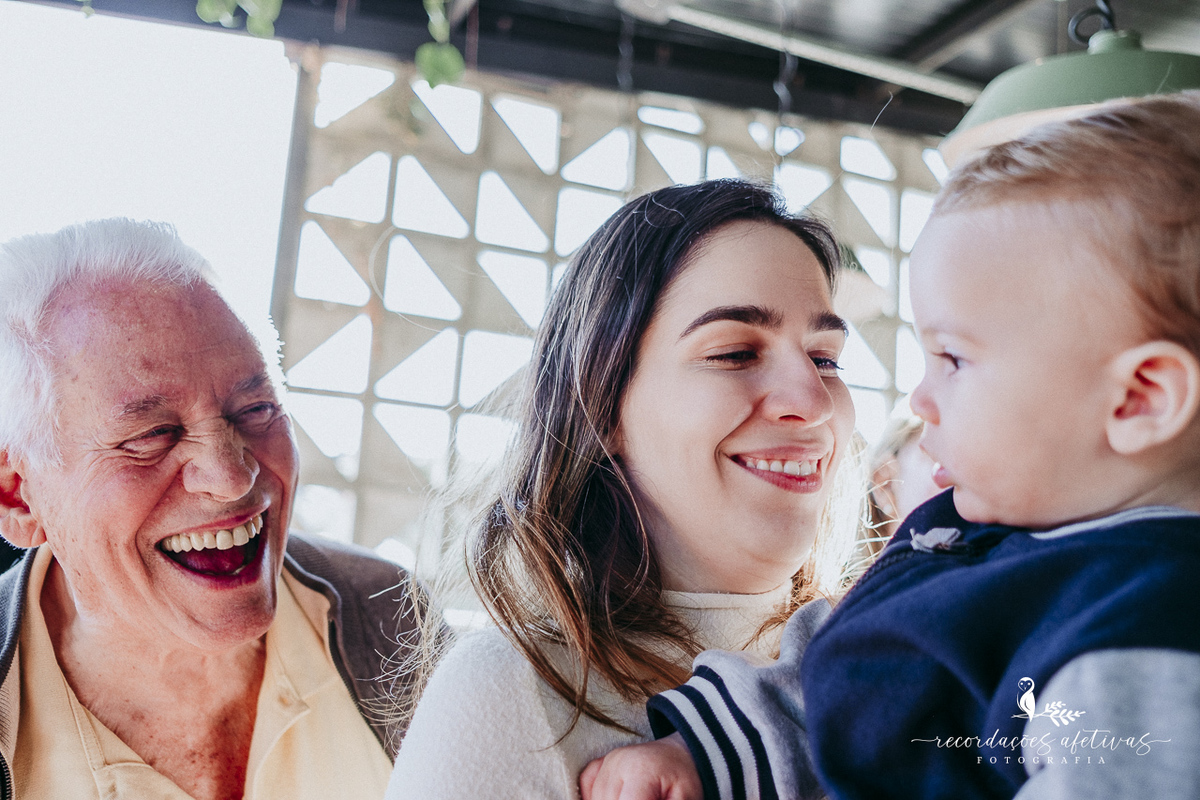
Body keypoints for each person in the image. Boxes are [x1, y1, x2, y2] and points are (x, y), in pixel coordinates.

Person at [580, 92, 1200, 800]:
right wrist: (701, 757)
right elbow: (846, 674)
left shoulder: (1147, 635)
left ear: (1140, 399)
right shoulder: (974, 536)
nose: (920, 399)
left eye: (955, 359)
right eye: (734, 352)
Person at [385, 179, 864, 799]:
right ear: (603, 407)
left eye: (825, 358)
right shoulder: (518, 694)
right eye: (735, 351)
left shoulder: (904, 652)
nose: (813, 401)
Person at [0, 218, 441, 800]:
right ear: (18, 496)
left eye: (254, 409)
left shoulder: (393, 621)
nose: (233, 478)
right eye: (152, 434)